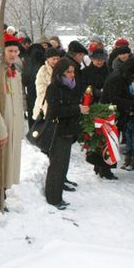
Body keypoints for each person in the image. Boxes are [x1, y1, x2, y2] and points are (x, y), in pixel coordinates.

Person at [0, 34, 26, 211]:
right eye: (10, 51)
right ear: (2, 52)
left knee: (10, 161)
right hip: (2, 124)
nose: (13, 54)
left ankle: (3, 193)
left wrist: (21, 122)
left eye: (16, 51)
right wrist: (1, 129)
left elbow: (18, 98)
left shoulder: (15, 73)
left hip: (14, 123)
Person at [44, 58, 89, 209]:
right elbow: (53, 112)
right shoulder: (54, 87)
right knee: (57, 165)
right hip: (58, 131)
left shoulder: (73, 86)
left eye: (73, 72)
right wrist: (77, 109)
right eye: (68, 72)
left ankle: (58, 194)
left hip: (69, 130)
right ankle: (53, 198)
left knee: (63, 164)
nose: (72, 75)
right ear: (60, 72)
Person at [101, 57, 134, 179]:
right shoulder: (117, 79)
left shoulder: (122, 76)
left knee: (109, 141)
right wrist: (132, 104)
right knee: (109, 142)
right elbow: (114, 98)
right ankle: (105, 170)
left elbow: (124, 93)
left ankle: (103, 168)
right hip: (109, 113)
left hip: (113, 113)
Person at [33, 48, 61, 120]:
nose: (56, 61)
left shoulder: (62, 69)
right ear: (48, 59)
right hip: (46, 104)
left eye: (58, 59)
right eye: (53, 59)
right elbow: (40, 89)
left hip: (60, 104)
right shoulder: (43, 70)